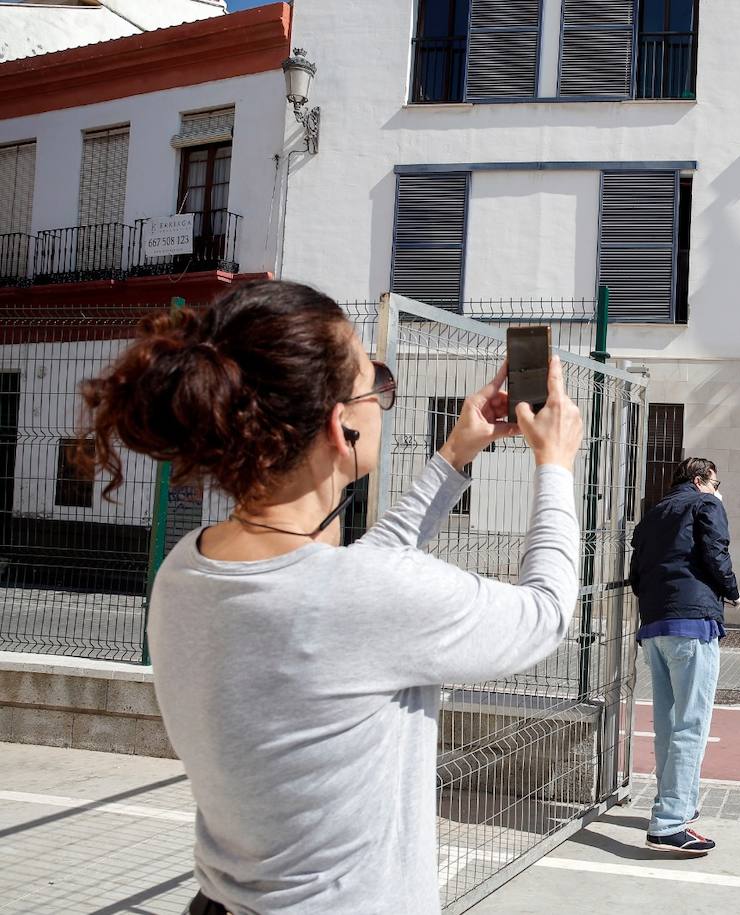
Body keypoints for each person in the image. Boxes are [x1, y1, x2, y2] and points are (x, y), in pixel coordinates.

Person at [79, 280, 583, 914]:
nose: (383, 393)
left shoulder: (188, 567)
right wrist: (555, 465)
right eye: (375, 379)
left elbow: (353, 582)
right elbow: (545, 614)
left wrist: (457, 454)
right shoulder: (361, 598)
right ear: (341, 425)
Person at [628, 456, 740, 855]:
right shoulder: (706, 504)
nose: (718, 488)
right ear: (699, 480)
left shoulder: (653, 513)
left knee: (668, 722)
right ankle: (669, 823)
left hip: (655, 625)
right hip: (692, 624)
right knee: (691, 724)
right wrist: (732, 589)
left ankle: (681, 805)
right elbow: (716, 551)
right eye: (715, 481)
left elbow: (636, 573)